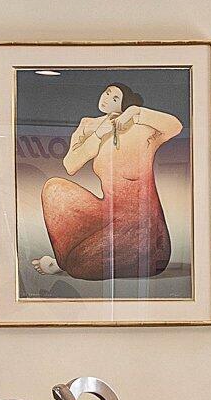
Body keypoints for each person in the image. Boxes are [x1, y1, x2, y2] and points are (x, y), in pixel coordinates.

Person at [34, 81, 183, 284]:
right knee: (53, 190)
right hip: (108, 213)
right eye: (106, 93)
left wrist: (135, 112)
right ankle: (63, 261)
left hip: (143, 228)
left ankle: (62, 264)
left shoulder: (144, 128)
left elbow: (175, 126)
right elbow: (70, 165)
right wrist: (97, 135)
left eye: (115, 98)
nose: (106, 99)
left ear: (125, 104)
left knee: (79, 266)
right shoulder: (88, 125)